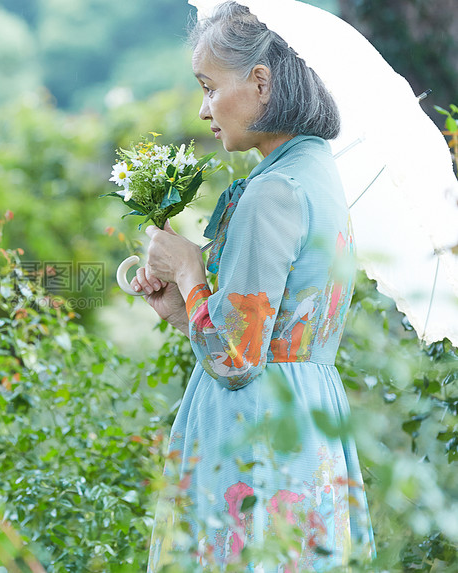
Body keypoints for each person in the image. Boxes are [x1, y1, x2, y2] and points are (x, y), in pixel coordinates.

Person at [130, 2, 376, 570]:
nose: (203, 108)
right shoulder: (316, 172)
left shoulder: (273, 191)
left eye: (210, 88)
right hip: (308, 414)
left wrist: (191, 271)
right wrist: (180, 308)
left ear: (260, 82)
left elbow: (238, 359)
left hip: (258, 427)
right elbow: (279, 328)